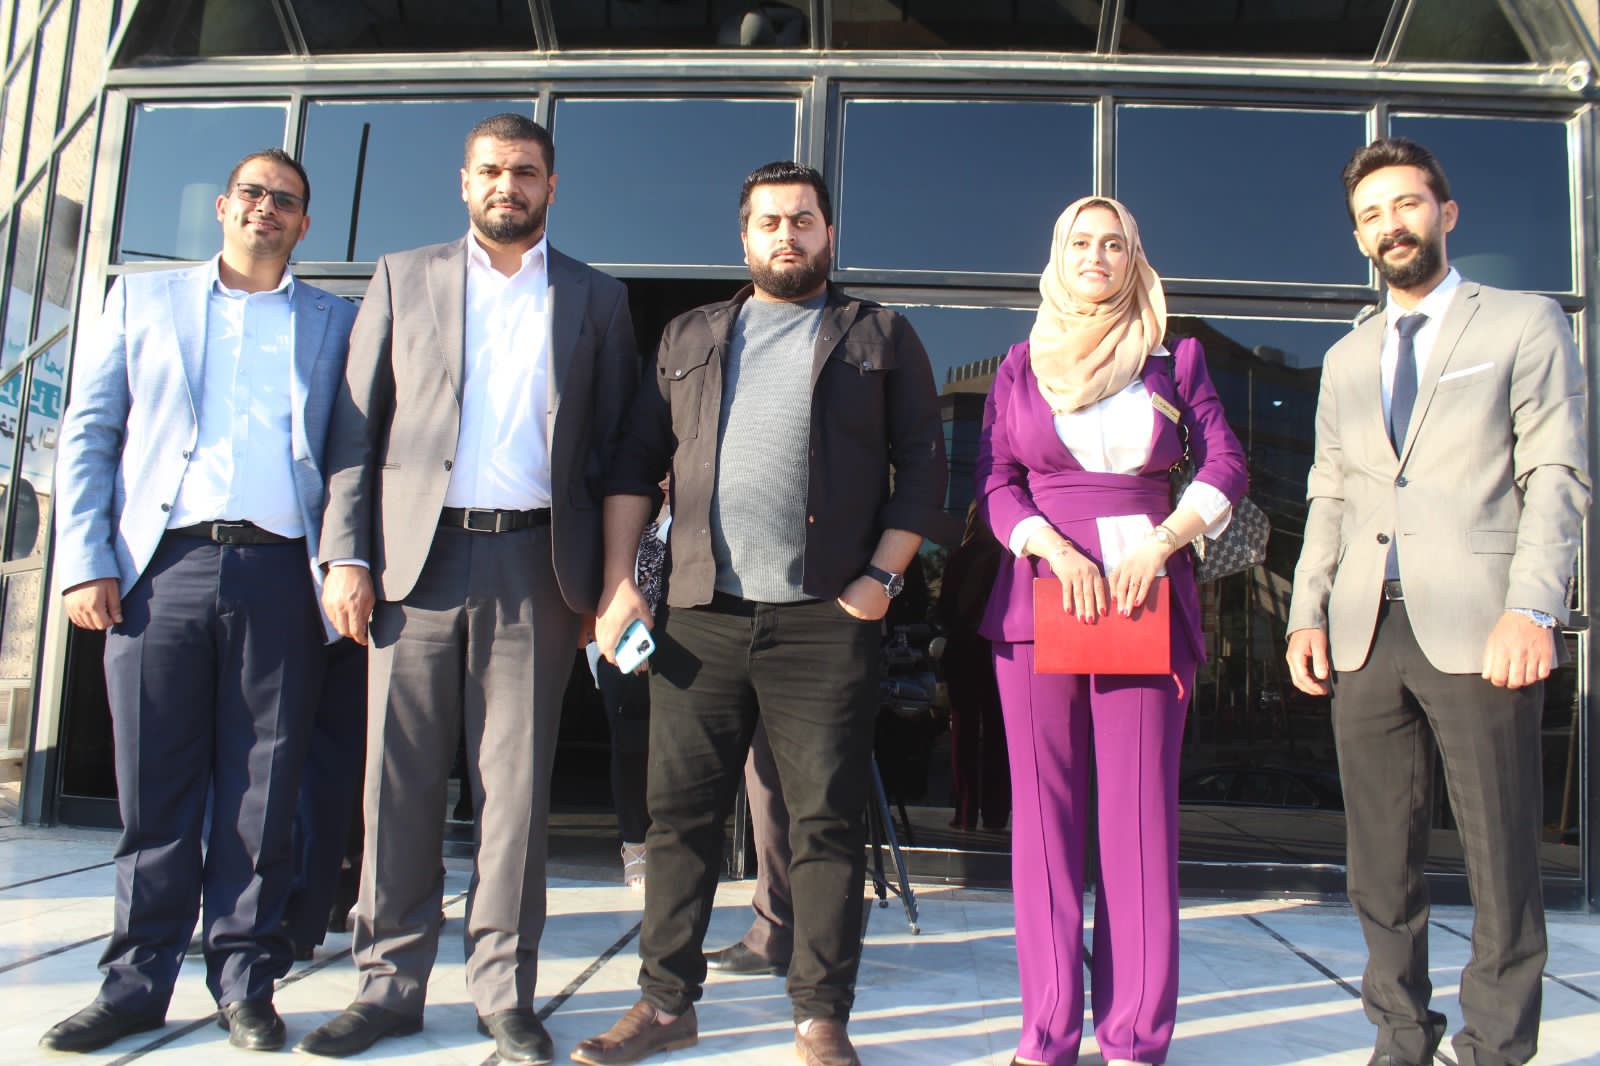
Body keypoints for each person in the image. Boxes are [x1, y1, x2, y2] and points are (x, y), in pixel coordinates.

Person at [575, 161, 950, 1066]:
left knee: (824, 823)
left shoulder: (881, 335)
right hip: (701, 614)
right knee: (679, 818)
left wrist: (881, 579)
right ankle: (666, 1004)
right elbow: (634, 464)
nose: (788, 235)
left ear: (830, 234)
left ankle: (820, 1017)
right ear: (744, 238)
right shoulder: (690, 334)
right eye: (771, 222)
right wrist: (622, 582)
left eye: (804, 220)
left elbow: (924, 467)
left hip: (826, 620)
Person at [300, 113, 638, 1064]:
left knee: (516, 795)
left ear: (551, 187)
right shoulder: (402, 277)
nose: (506, 185)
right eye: (490, 169)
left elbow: (616, 449)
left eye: (524, 171)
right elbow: (355, 431)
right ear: (463, 182)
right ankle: (387, 986)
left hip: (538, 569)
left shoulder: (597, 298)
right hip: (414, 567)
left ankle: (504, 994)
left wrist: (608, 580)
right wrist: (346, 556)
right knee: (396, 784)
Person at [43, 149, 356, 1053]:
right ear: (222, 205)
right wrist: (84, 560)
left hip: (281, 575)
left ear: (304, 224)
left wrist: (345, 560)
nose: (266, 208)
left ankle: (246, 983)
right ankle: (134, 985)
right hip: (161, 572)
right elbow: (90, 434)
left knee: (264, 793)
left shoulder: (336, 320)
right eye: (252, 193)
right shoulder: (142, 301)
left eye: (285, 200)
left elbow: (350, 453)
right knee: (156, 791)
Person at [1286, 138, 1589, 1066]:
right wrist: (1305, 612)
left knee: (1501, 857)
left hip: (1482, 625)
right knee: (1379, 860)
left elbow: (1557, 473)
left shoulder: (1524, 323)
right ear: (1359, 238)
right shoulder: (1346, 357)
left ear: (1445, 213)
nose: (1392, 226)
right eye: (1372, 216)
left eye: (1407, 205)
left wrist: (1533, 607)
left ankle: (1494, 1045)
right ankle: (1400, 1035)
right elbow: (1329, 493)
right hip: (1364, 632)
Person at [976, 196, 1246, 1066]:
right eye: (1081, 243)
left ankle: (1134, 1039)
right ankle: (1046, 1034)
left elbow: (1227, 463)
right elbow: (995, 481)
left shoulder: (1176, 358)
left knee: (1137, 826)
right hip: (1040, 599)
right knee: (1044, 825)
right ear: (1058, 257)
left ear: (1136, 259)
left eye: (1114, 244)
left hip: (1144, 598)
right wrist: (1053, 548)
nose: (1097, 256)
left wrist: (1165, 542)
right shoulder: (1019, 366)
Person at [593, 501, 670, 891]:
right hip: (628, 649)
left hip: (688, 647)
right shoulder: (630, 512)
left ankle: (667, 843)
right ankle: (634, 842)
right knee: (630, 747)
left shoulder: (693, 512)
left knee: (676, 754)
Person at [936, 502, 1009, 831]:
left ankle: (964, 813)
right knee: (998, 735)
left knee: (963, 735)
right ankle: (996, 814)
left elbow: (944, 610)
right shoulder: (1009, 559)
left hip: (963, 651)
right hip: (999, 653)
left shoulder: (960, 557)